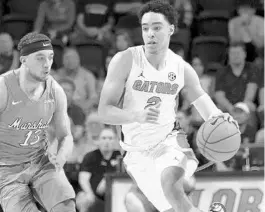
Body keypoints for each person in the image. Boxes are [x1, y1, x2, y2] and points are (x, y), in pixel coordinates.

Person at [98, 1, 238, 212]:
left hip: (169, 140)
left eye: (157, 27)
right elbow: (104, 112)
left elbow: (201, 99)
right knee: (167, 206)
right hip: (136, 152)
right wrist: (136, 115)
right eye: (145, 28)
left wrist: (220, 117)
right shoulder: (125, 60)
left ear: (171, 29)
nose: (150, 34)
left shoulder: (180, 67)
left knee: (170, 180)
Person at [0, 32, 76, 212]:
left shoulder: (55, 91)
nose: (47, 64)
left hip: (41, 162)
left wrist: (62, 156)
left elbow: (65, 136)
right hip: (6, 170)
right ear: (23, 59)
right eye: (40, 58)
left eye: (50, 57)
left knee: (66, 207)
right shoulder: (3, 89)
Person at [76, 125, 121, 212]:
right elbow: (83, 180)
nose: (107, 141)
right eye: (104, 138)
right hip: (92, 193)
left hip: (113, 193)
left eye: (110, 138)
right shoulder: (90, 156)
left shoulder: (119, 156)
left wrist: (107, 181)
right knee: (84, 198)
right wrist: (89, 194)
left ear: (115, 141)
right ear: (98, 141)